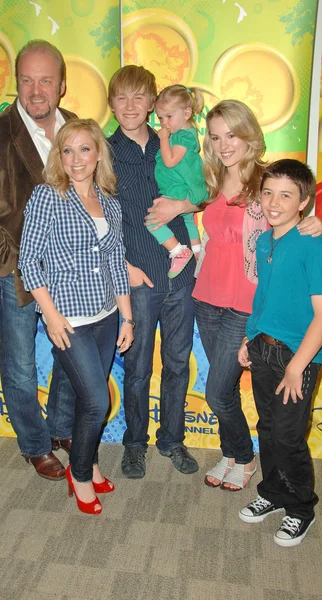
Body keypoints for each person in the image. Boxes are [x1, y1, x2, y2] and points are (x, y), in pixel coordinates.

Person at [146, 99, 322, 491]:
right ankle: (230, 451)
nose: (225, 144)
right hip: (206, 297)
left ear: (249, 136)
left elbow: (294, 205)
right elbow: (202, 202)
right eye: (215, 136)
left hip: (246, 305)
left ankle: (243, 456)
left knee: (216, 392)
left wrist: (315, 221)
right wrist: (179, 203)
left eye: (232, 135)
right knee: (222, 389)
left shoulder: (265, 180)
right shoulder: (208, 176)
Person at [0, 40, 78, 480]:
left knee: (71, 355)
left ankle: (62, 427)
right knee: (21, 362)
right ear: (16, 83)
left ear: (62, 84)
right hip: (15, 275)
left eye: (46, 79)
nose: (36, 89)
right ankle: (33, 443)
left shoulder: (80, 131)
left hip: (73, 272)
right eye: (27, 79)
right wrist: (14, 269)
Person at [19, 118, 133, 514]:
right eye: (67, 150)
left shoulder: (110, 203)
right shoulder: (48, 196)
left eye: (84, 149)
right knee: (96, 402)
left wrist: (128, 318)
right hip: (68, 319)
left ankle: (91, 461)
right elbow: (28, 262)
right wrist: (49, 316)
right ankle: (80, 474)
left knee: (89, 398)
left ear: (98, 153)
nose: (76, 158)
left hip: (105, 315)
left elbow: (116, 262)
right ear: (59, 157)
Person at [108, 65, 199, 479]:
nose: (131, 106)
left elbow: (206, 188)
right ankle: (134, 443)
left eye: (139, 97)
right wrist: (123, 266)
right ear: (111, 103)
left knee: (177, 363)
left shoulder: (178, 138)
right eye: (122, 97)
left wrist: (183, 206)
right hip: (139, 278)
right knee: (138, 368)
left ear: (153, 102)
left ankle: (172, 439)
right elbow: (96, 219)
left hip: (181, 273)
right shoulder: (103, 151)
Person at [238, 159, 322, 547]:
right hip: (262, 349)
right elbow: (263, 297)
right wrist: (248, 337)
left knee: (288, 436)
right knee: (268, 429)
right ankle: (272, 494)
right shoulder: (264, 239)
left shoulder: (313, 243)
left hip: (297, 357)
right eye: (268, 192)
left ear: (304, 201)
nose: (274, 202)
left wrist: (296, 368)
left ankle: (301, 508)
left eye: (286, 195)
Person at [151, 84, 208, 277]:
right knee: (189, 221)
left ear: (186, 113)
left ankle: (178, 251)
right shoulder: (184, 134)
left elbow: (170, 161)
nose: (164, 123)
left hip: (176, 190)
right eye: (160, 117)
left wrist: (163, 139)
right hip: (180, 188)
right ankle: (198, 254)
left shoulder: (183, 137)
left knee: (152, 220)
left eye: (168, 116)